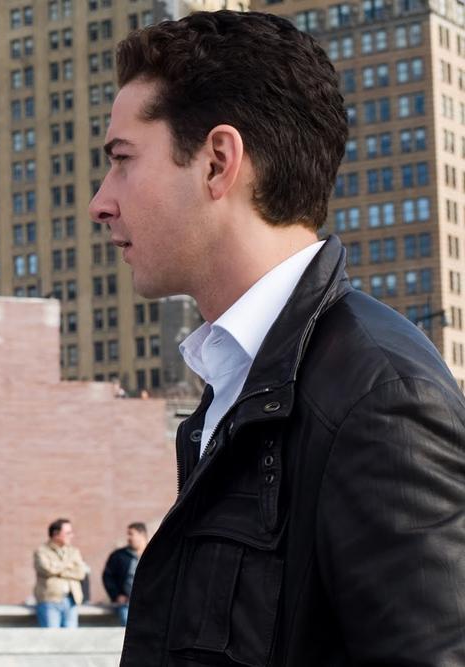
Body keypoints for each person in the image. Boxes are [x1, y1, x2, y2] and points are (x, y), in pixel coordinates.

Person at [90, 11, 465, 665]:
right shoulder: (239, 382)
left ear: (218, 163)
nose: (100, 201)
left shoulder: (378, 398)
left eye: (122, 160)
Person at [33, 518, 89, 628]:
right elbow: (47, 569)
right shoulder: (42, 551)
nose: (71, 536)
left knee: (71, 637)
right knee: (52, 636)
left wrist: (57, 569)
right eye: (68, 533)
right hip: (50, 601)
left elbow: (81, 573)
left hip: (72, 601)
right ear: (56, 534)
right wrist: (69, 566)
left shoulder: (74, 551)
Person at [102, 522, 148, 626]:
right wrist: (116, 595)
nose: (128, 538)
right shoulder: (118, 556)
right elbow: (107, 577)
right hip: (127, 604)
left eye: (131, 534)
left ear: (142, 535)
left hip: (151, 604)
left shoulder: (156, 554)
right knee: (128, 628)